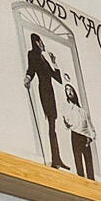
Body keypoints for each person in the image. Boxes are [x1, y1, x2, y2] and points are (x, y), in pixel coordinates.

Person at [23, 32, 66, 170]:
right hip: (44, 91)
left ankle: (57, 158)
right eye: (40, 42)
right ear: (36, 42)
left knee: (53, 126)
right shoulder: (32, 54)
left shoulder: (45, 58)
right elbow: (31, 70)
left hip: (51, 92)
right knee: (51, 125)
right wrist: (28, 78)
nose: (42, 44)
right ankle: (55, 159)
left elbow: (58, 78)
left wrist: (54, 62)